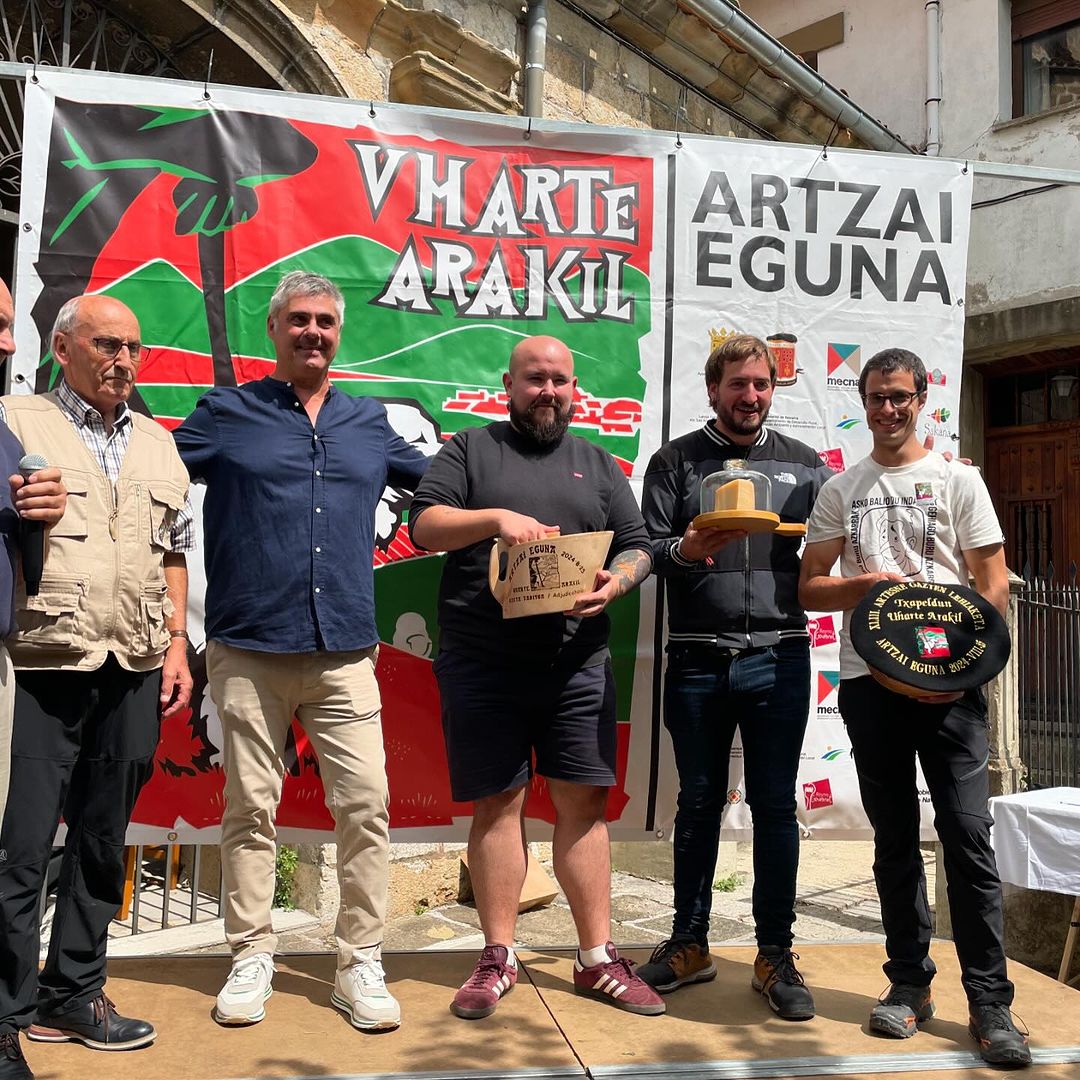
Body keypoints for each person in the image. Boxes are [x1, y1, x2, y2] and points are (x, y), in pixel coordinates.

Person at [173, 271, 429, 1033]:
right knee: (250, 808)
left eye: (324, 322)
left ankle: (359, 963)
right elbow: (149, 473)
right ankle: (250, 954)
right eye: (299, 321)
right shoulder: (227, 412)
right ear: (274, 330)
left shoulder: (367, 422)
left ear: (337, 333)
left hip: (346, 650)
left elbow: (443, 483)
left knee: (367, 808)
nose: (312, 332)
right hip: (248, 649)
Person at [409, 334, 662, 1020]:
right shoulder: (468, 450)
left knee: (583, 806)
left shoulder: (599, 465)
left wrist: (618, 583)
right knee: (499, 804)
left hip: (576, 664)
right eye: (534, 379)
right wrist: (496, 519)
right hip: (482, 661)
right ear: (509, 384)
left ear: (574, 388)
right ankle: (498, 956)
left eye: (559, 380)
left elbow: (639, 546)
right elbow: (424, 527)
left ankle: (596, 959)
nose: (547, 390)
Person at [798, 347, 1031, 1068]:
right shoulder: (842, 486)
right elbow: (809, 587)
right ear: (861, 402)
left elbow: (992, 585)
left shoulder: (959, 481)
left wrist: (952, 668)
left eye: (900, 396)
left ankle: (990, 1004)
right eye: (876, 397)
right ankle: (908, 985)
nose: (888, 409)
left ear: (921, 398)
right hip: (870, 686)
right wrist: (859, 584)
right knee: (894, 843)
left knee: (967, 838)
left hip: (952, 692)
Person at [0, 292, 193, 1080]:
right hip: (42, 664)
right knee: (19, 850)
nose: (123, 359)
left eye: (134, 347)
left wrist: (179, 643)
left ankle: (74, 991)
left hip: (136, 665)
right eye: (107, 343)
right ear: (64, 347)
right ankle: (6, 1018)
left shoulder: (156, 440)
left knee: (103, 840)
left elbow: (175, 550)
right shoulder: (15, 421)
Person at [636, 333, 829, 1019]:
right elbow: (647, 551)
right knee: (698, 802)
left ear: (774, 391)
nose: (750, 396)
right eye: (738, 384)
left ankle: (774, 952)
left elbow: (829, 558)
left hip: (778, 652)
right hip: (695, 655)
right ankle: (689, 942)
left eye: (762, 385)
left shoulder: (806, 466)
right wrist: (685, 549)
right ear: (713, 389)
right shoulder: (675, 461)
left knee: (776, 806)